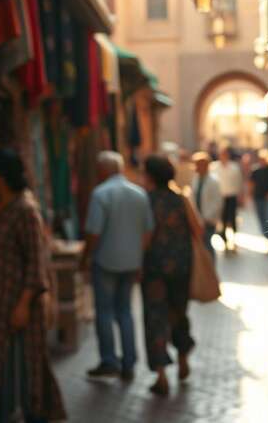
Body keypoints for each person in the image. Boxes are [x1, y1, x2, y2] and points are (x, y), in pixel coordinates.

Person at [0, 148, 66, 423]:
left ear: (0, 175)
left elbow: (36, 264)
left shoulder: (25, 210)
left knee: (21, 370)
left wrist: (23, 304)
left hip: (14, 305)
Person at [81, 151, 153, 382]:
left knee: (104, 312)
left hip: (106, 262)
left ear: (103, 170)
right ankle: (129, 362)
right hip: (131, 262)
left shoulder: (100, 194)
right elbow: (148, 230)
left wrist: (85, 258)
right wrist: (139, 257)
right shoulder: (139, 194)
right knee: (125, 312)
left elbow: (93, 232)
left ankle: (109, 360)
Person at [141, 155, 197, 396]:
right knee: (178, 312)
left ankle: (162, 376)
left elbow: (145, 235)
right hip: (181, 267)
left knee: (156, 318)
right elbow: (199, 228)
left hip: (154, 269)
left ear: (150, 176)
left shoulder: (147, 201)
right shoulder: (180, 199)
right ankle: (183, 357)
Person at [190, 151, 223, 257]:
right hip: (197, 218)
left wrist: (206, 218)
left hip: (208, 220)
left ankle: (211, 269)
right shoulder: (195, 179)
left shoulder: (214, 181)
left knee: (207, 245)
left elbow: (217, 203)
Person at [210, 145, 243, 252]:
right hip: (219, 197)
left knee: (232, 218)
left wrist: (240, 195)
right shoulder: (214, 167)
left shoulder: (234, 167)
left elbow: (238, 182)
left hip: (231, 196)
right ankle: (224, 239)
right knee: (222, 219)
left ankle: (233, 238)